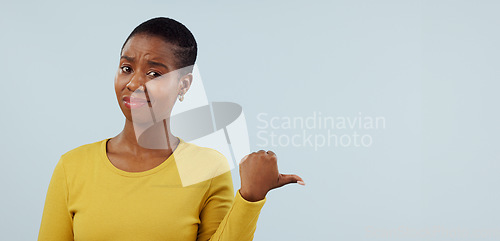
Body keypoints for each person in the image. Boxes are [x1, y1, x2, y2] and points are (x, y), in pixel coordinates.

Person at [38, 17, 305, 241]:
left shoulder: (208, 168)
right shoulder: (72, 166)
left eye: (154, 73)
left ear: (184, 85)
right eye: (126, 68)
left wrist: (250, 197)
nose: (133, 82)